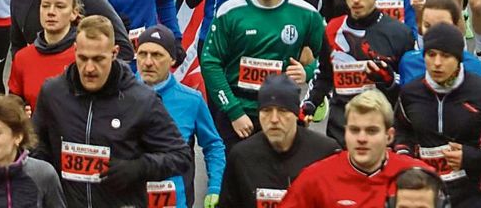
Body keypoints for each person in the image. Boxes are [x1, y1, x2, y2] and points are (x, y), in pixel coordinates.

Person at [31, 15, 192, 205]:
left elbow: (181, 155)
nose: (89, 68)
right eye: (83, 58)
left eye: (98, 59)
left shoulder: (141, 99)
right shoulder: (53, 93)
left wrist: (137, 168)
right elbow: (35, 149)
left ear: (114, 53)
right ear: (74, 51)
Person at [394, 22, 481, 207]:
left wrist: (473, 157)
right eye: (431, 54)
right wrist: (405, 157)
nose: (437, 63)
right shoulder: (410, 93)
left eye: (445, 56)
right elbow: (402, 132)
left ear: (459, 58)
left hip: (478, 195)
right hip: (427, 197)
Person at [200, 0, 327, 144]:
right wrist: (233, 111)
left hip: (283, 113)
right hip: (239, 114)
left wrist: (308, 71)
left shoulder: (306, 13)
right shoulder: (229, 11)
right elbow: (210, 62)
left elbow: (330, 58)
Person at [302, 0, 413, 145]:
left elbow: (412, 85)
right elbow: (323, 75)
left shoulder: (399, 33)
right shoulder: (332, 29)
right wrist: (310, 104)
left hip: (380, 129)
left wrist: (390, 80)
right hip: (340, 129)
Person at [279, 89, 429, 207]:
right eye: (354, 130)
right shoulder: (315, 179)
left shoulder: (420, 177)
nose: (361, 139)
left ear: (389, 136)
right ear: (345, 132)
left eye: (371, 131)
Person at [134, 25, 226, 208]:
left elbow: (214, 145)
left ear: (172, 60)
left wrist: (215, 187)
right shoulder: (119, 96)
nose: (148, 62)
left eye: (157, 55)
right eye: (142, 54)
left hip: (175, 201)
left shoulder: (191, 100)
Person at [217, 72, 341, 207]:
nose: (274, 119)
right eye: (267, 111)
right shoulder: (241, 156)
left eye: (282, 111)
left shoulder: (325, 153)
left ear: (295, 114)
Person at [7, 0, 82, 107]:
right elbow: (13, 102)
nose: (51, 12)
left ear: (74, 13)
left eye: (60, 6)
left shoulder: (84, 55)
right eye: (45, 6)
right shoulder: (23, 57)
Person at [398, 0, 481, 83]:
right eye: (427, 26)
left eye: (441, 25)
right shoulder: (409, 62)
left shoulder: (475, 68)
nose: (433, 32)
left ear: (456, 26)